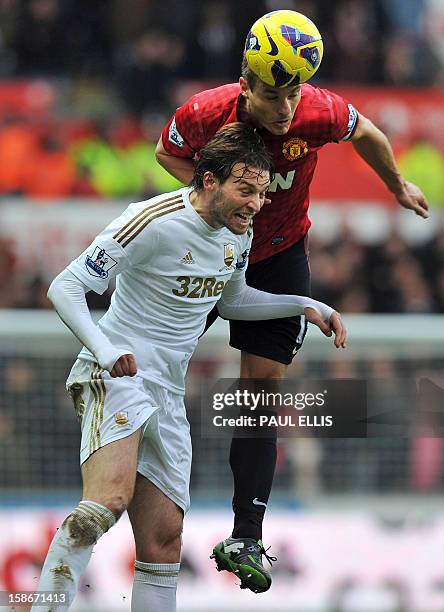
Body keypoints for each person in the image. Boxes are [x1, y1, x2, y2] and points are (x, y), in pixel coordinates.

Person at [155, 10, 429, 594]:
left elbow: (370, 135)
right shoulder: (205, 112)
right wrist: (212, 207)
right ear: (246, 82)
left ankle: (246, 534)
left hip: (281, 255)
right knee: (160, 366)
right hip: (209, 251)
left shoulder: (319, 111)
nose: (285, 108)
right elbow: (166, 153)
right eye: (273, 94)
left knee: (260, 390)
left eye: (293, 93)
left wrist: (396, 185)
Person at [34, 123, 346, 612]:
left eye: (262, 193)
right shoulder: (152, 219)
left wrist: (303, 304)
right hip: (117, 376)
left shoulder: (238, 234)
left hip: (167, 392)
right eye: (245, 189)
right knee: (107, 502)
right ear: (208, 181)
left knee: (164, 543)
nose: (255, 203)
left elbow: (236, 300)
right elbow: (66, 286)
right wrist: (103, 349)